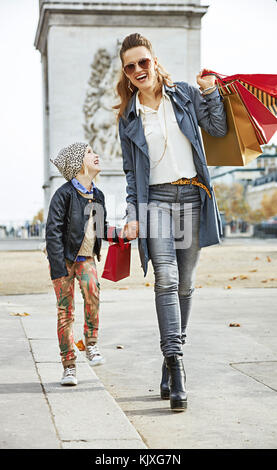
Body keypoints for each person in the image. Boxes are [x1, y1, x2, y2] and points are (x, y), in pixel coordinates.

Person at [115, 33, 227, 411]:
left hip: (192, 198)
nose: (137, 70)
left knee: (186, 284)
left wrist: (210, 93)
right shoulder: (128, 116)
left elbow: (217, 129)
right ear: (125, 73)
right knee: (166, 277)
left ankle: (168, 359)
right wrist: (132, 215)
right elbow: (132, 174)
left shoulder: (182, 94)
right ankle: (178, 366)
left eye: (142, 62)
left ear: (154, 60)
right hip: (156, 204)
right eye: (130, 66)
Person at [46, 142, 127, 386]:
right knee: (65, 312)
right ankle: (69, 366)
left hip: (86, 259)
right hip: (63, 261)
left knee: (93, 294)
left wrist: (123, 234)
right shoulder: (64, 194)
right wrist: (59, 268)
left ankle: (91, 344)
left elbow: (101, 229)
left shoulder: (98, 195)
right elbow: (53, 232)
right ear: (78, 163)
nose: (97, 155)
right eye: (90, 152)